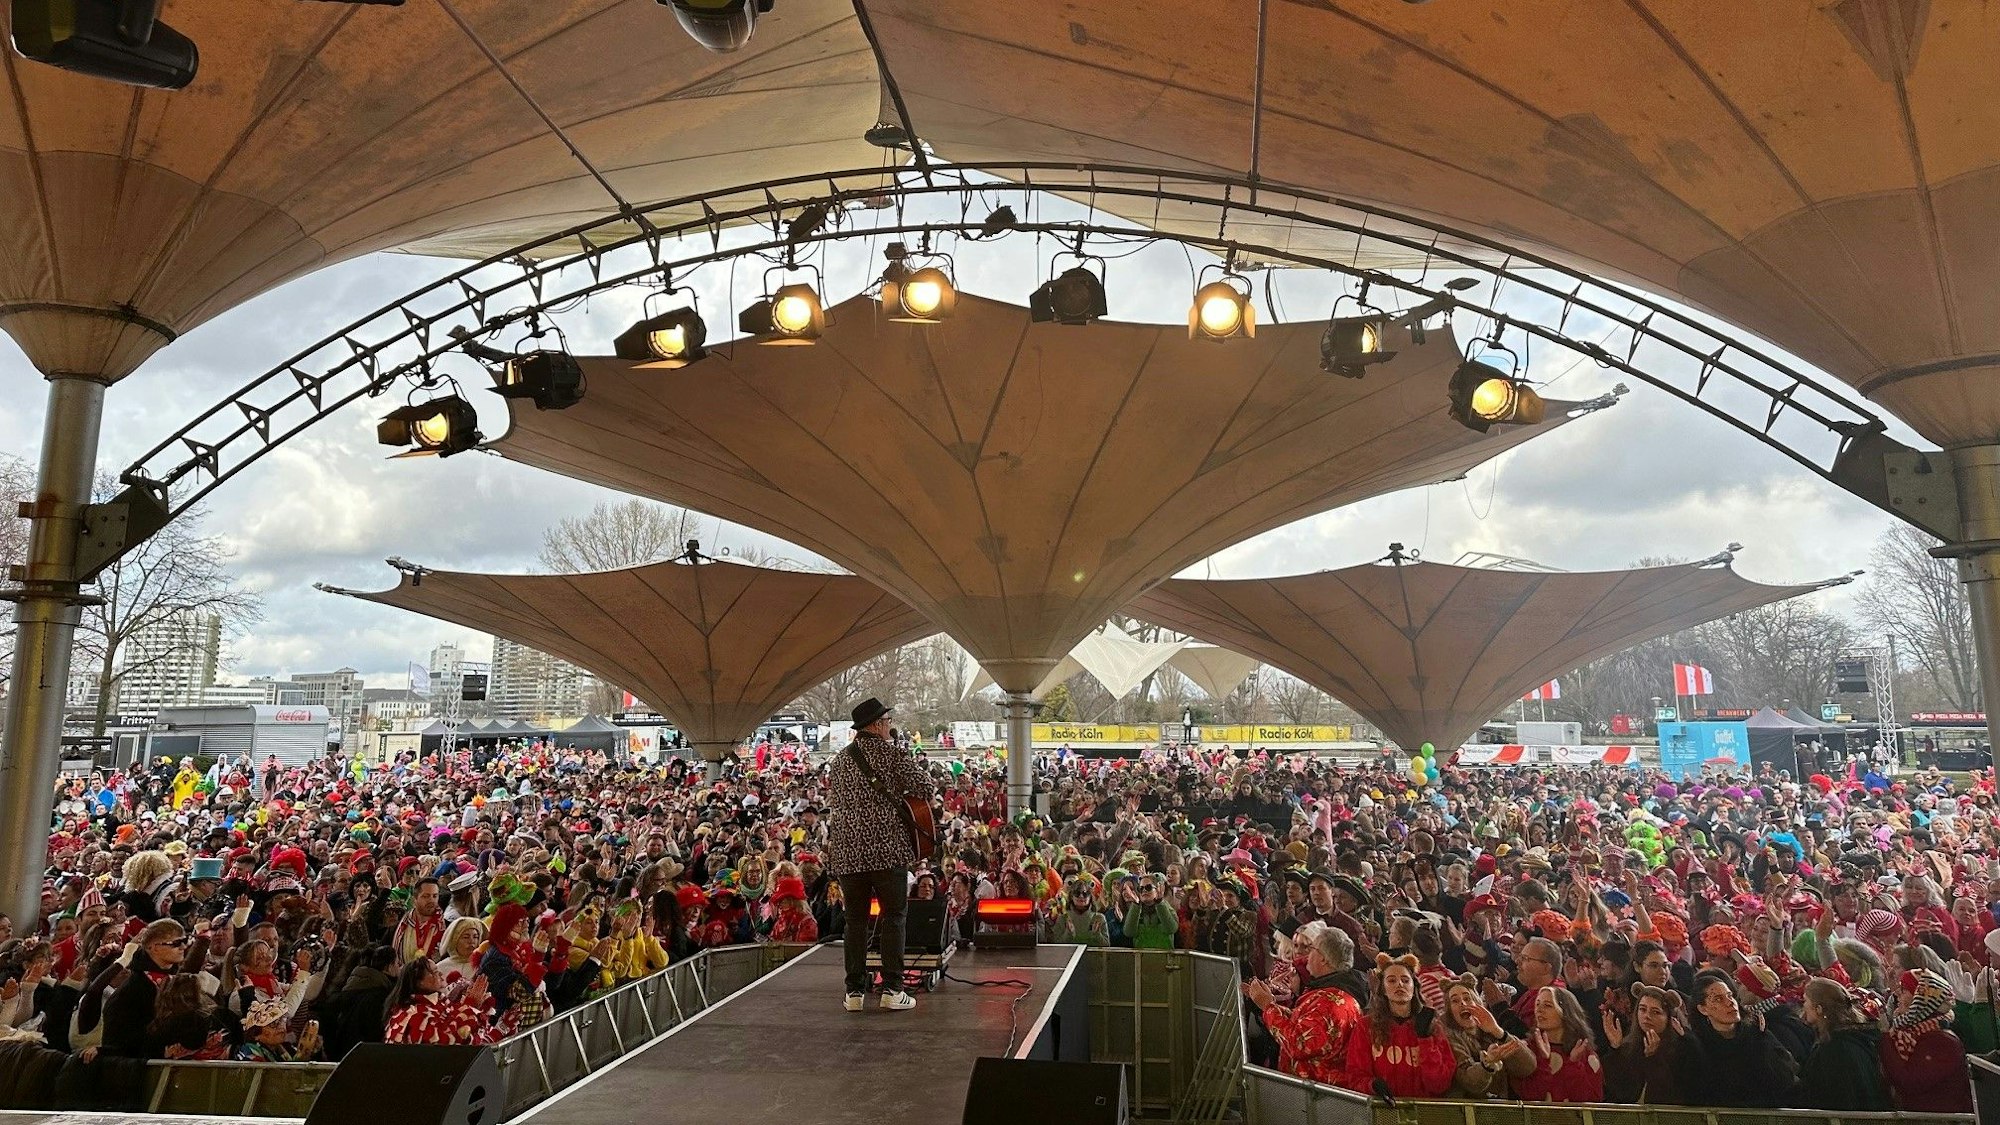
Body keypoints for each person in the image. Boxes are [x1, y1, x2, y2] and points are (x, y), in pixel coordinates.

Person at [828, 697, 933, 1013]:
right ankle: (892, 988)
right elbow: (925, 788)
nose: (889, 726)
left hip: (848, 852)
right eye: (886, 722)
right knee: (894, 916)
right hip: (886, 850)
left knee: (855, 922)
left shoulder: (840, 760)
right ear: (875, 725)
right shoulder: (892, 754)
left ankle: (854, 993)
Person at [1244, 922, 1365, 1087]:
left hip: (1316, 1099)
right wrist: (1267, 1002)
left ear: (1323, 958)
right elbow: (1303, 1024)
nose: (1306, 956)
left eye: (1312, 949)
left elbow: (1298, 1044)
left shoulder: (1330, 1003)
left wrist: (1268, 1007)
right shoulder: (1329, 993)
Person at [1344, 954, 1455, 1098]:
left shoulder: (1433, 1027)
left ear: (1413, 987)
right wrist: (1372, 1085)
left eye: (1405, 980)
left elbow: (1439, 1084)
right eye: (1391, 980)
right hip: (1383, 1110)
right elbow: (1355, 1076)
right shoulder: (1365, 1026)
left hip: (1423, 1111)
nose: (1399, 985)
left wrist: (1425, 1039)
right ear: (1383, 988)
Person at [1687, 970, 1798, 1108]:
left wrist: (1762, 1045)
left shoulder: (1757, 1034)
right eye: (1718, 999)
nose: (1730, 1003)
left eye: (1730, 996)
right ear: (1703, 1009)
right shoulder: (1697, 1044)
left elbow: (1786, 1079)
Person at [1880, 967, 1975, 1113]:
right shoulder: (1912, 1032)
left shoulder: (1942, 1042)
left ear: (1920, 999)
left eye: (1904, 990)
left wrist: (1884, 1036)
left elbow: (1909, 1082)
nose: (1897, 994)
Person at [1791, 976, 1889, 1111]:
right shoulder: (1858, 1039)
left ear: (1819, 1009)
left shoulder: (1834, 1049)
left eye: (1806, 1001)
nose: (1804, 1006)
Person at [1603, 983, 1704, 1105]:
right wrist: (1616, 1049)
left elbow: (1674, 1094)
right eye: (1642, 1009)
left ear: (1669, 1018)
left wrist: (1653, 1058)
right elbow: (1621, 1093)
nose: (1647, 1016)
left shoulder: (1682, 1046)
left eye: (1656, 1012)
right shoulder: (1628, 1045)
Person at [1440, 974, 1533, 1099]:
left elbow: (1527, 1068)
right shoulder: (1448, 1037)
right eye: (1455, 1001)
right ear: (1449, 1011)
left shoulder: (1491, 1029)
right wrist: (1487, 1064)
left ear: (1477, 1002)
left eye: (1467, 998)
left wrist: (1498, 1032)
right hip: (1469, 1111)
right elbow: (1470, 1082)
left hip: (1501, 1110)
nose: (1463, 1003)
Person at [1515, 986, 1605, 1102]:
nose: (1539, 1010)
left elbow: (1591, 1102)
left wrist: (1573, 1065)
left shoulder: (1584, 1054)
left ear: (1566, 1012)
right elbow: (1529, 1097)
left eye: (1547, 1005)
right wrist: (1544, 1061)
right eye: (1537, 1004)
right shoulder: (1527, 1049)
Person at [383, 957, 496, 1045]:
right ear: (419, 982)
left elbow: (471, 1040)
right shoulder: (413, 1014)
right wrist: (470, 1006)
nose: (441, 974)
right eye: (435, 972)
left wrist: (503, 1027)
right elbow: (448, 1043)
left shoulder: (440, 1003)